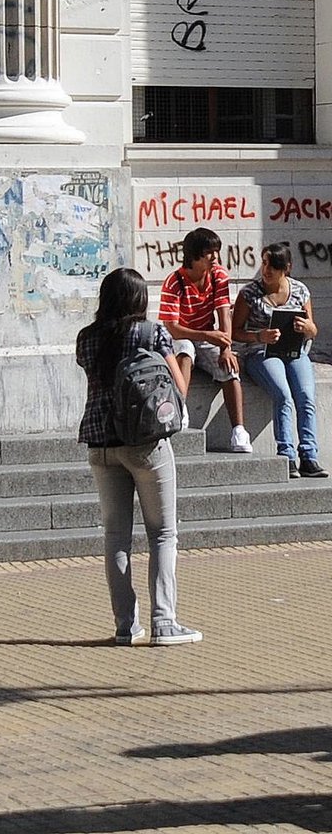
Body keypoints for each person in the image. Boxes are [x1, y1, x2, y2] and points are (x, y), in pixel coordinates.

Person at [76, 267, 203, 646]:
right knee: (163, 533)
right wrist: (186, 356)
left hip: (100, 443)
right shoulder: (152, 333)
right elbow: (178, 389)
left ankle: (125, 626)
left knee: (116, 535)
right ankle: (165, 622)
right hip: (145, 443)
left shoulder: (87, 339)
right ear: (138, 299)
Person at [233, 242, 324, 478]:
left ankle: (309, 455)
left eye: (274, 265)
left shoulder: (300, 290)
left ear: (286, 268)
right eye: (264, 263)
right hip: (261, 352)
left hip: (295, 351)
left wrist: (307, 327)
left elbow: (313, 330)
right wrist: (259, 336)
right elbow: (234, 331)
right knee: (283, 394)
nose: (267, 270)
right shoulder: (249, 294)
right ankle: (286, 454)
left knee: (306, 397)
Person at [158, 226, 251, 453]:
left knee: (230, 369)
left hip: (207, 336)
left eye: (216, 251)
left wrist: (225, 347)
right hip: (183, 337)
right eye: (209, 252)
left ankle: (239, 431)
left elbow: (224, 314)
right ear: (194, 254)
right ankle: (181, 408)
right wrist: (207, 335)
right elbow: (173, 328)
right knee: (185, 350)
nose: (214, 257)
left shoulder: (218, 276)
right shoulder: (174, 282)